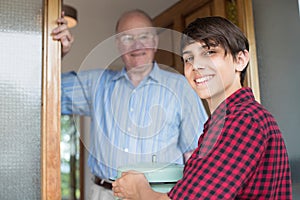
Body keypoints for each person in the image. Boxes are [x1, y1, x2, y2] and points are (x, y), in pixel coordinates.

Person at [112, 16, 292, 199]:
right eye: (189, 58)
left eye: (209, 52)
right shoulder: (227, 121)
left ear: (240, 59)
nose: (196, 65)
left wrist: (140, 190)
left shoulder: (242, 121)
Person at [52, 9, 207, 199]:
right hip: (104, 194)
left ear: (155, 42)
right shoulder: (96, 83)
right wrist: (55, 54)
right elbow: (44, 94)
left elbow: (198, 157)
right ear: (118, 44)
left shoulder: (182, 88)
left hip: (158, 196)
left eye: (144, 36)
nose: (137, 45)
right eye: (127, 38)